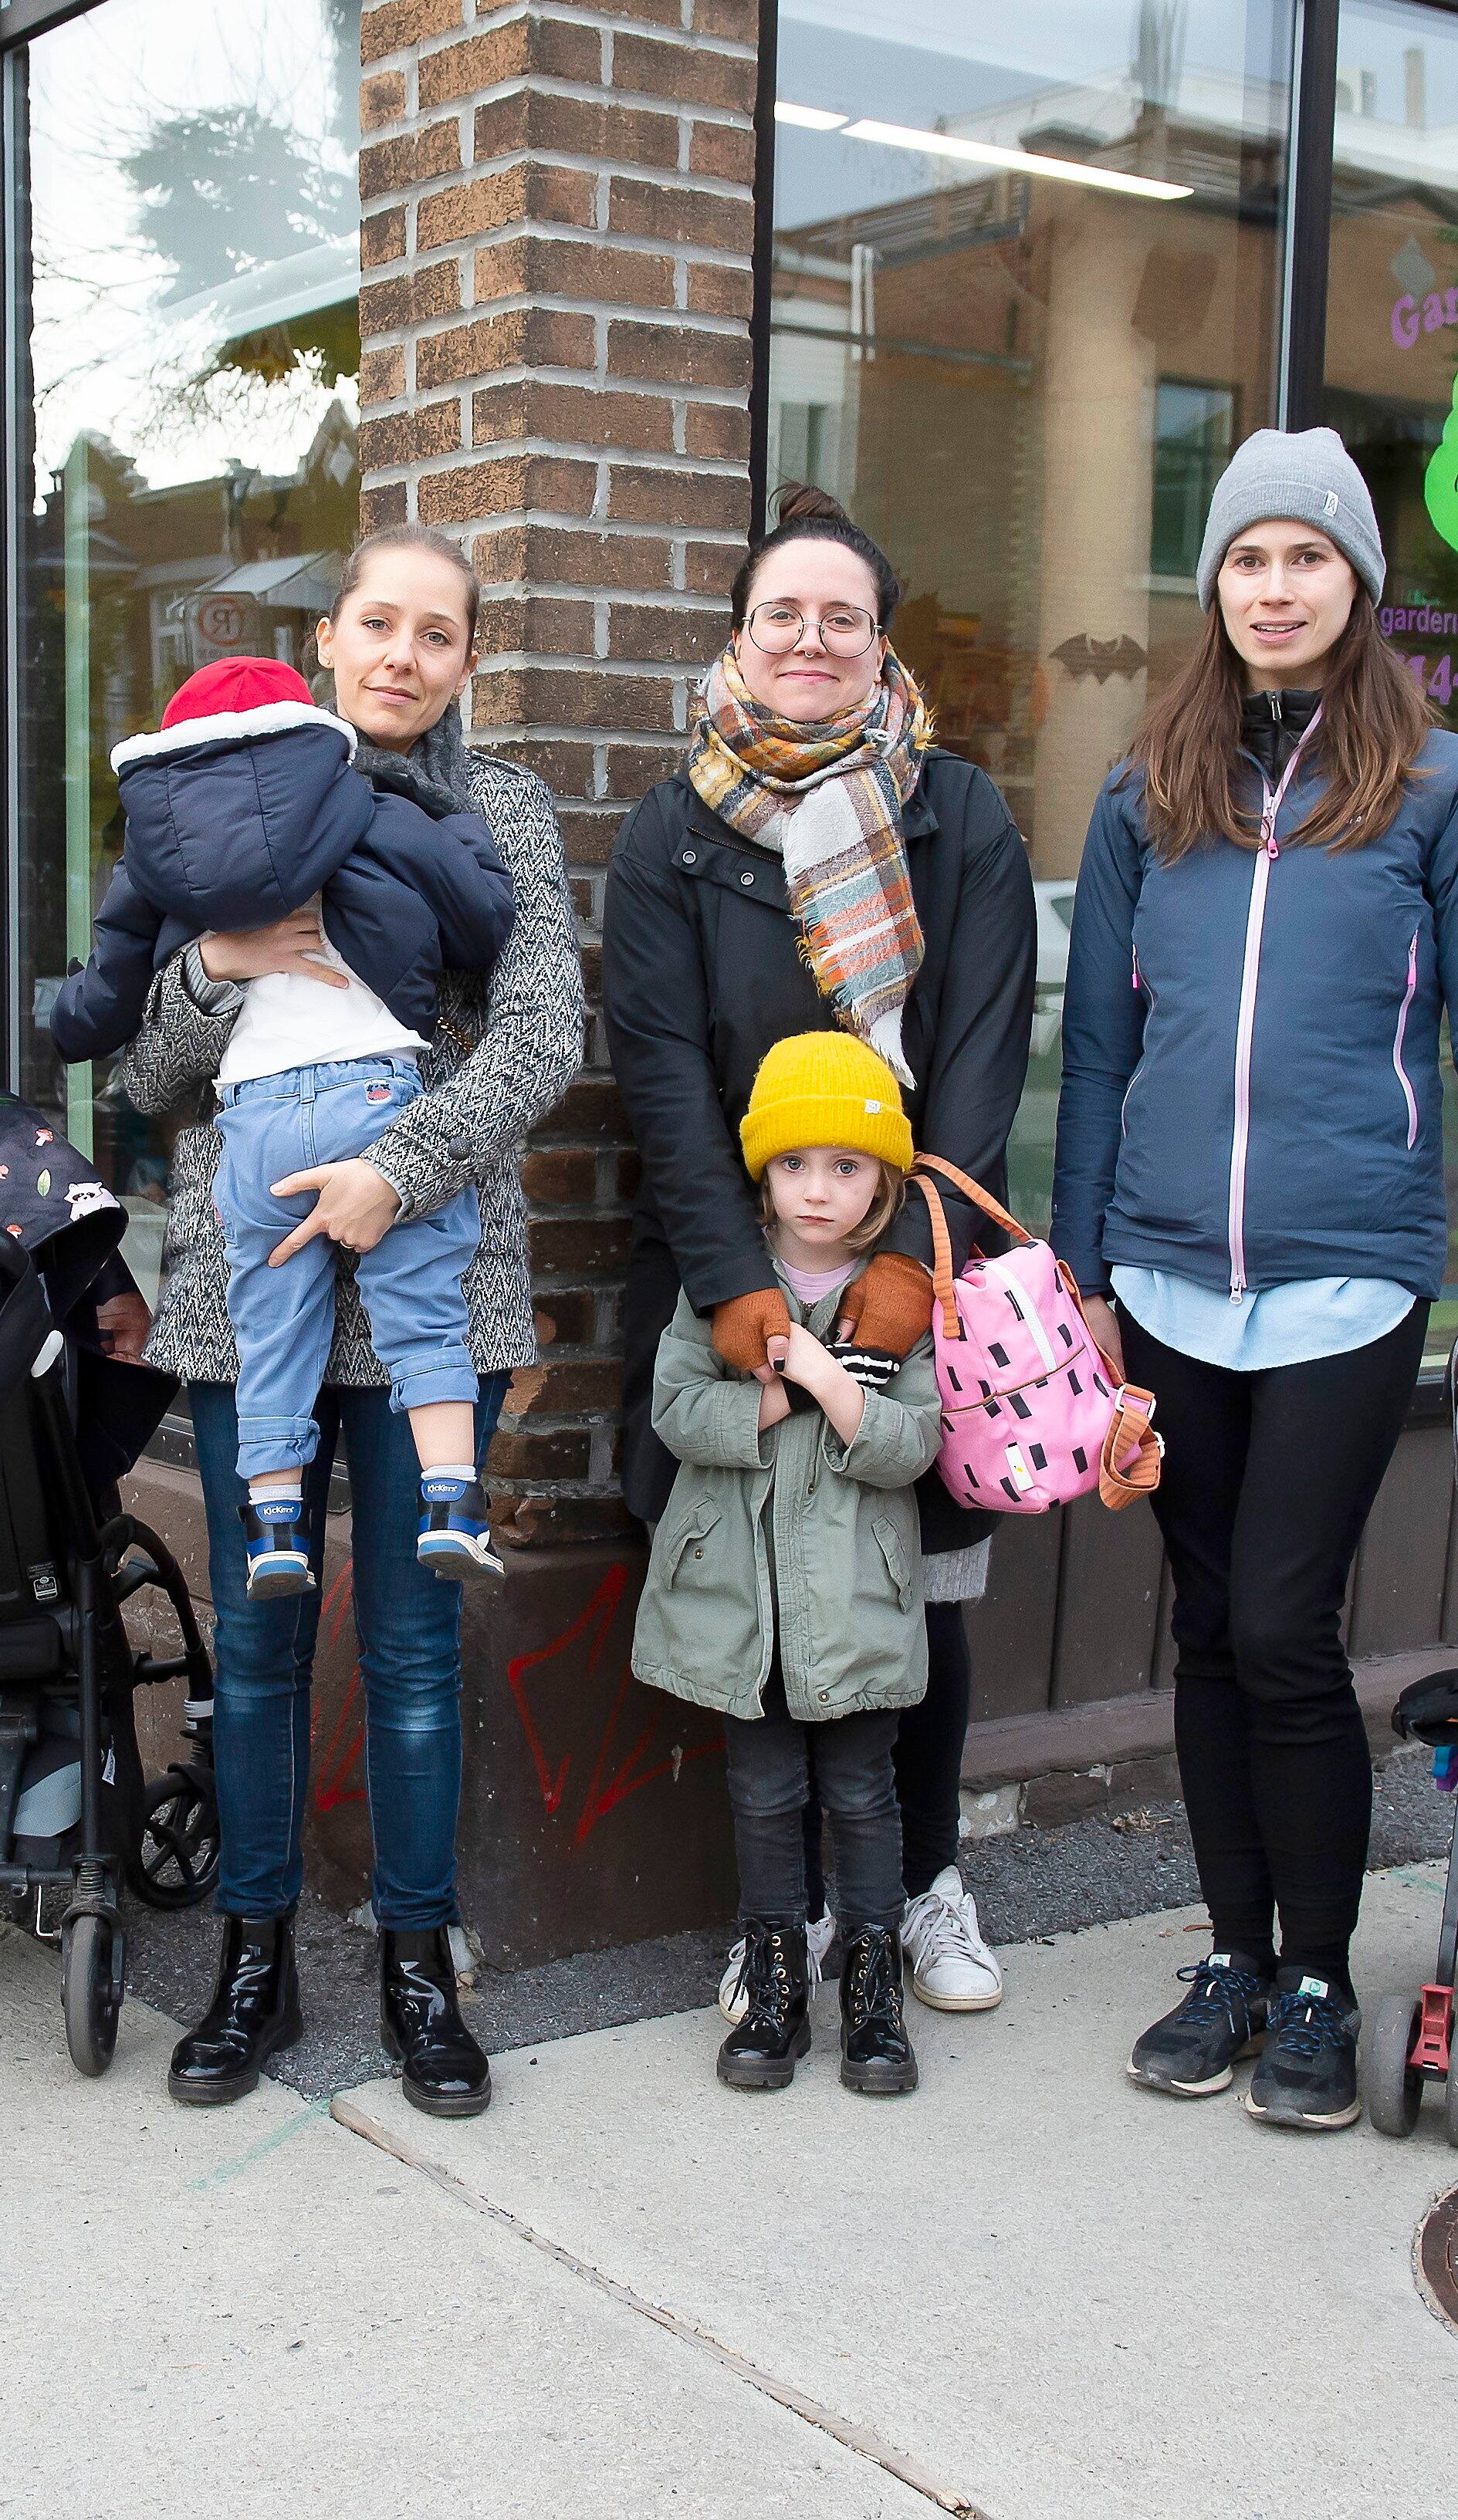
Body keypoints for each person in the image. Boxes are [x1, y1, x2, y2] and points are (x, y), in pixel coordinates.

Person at [1054, 428, 1458, 2132]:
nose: (1274, 587)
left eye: (1306, 557)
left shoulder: (1448, 788)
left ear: (1357, 581)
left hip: (1350, 1272)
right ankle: (1226, 1952)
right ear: (1214, 584)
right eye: (1246, 559)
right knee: (1207, 1625)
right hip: (1171, 1280)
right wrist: (1079, 1277)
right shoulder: (1149, 791)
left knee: (1284, 1624)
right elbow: (1106, 1054)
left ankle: (1313, 1973)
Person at [113, 525, 584, 2120]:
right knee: (251, 1642)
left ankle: (413, 1964)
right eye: (377, 622)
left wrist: (398, 1168)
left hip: (431, 1282)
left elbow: (539, 1036)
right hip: (251, 1289)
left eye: (436, 633)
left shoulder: (499, 807)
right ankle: (253, 1960)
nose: (401, 654)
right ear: (330, 636)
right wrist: (218, 968)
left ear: (465, 658)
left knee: (408, 1644)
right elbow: (136, 1079)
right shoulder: (221, 779)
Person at [604, 481, 1035, 2020]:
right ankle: (775, 1923)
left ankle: (916, 1887)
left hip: (911, 1276)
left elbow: (983, 1047)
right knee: (768, 1608)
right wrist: (737, 1289)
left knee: (917, 1590)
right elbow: (657, 1071)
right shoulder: (674, 829)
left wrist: (912, 1266)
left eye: (840, 616)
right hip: (733, 1271)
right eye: (781, 611)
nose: (810, 637)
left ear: (878, 642)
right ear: (740, 631)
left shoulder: (957, 810)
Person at [50, 654, 514, 1591]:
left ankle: (273, 1522)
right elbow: (478, 920)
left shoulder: (156, 853)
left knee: (268, 1324)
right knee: (423, 1305)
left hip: (254, 1118)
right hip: (372, 1094)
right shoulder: (365, 804)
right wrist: (460, 840)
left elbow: (95, 1011)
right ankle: (453, 1499)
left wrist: (167, 971)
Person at [634, 1034, 945, 2096]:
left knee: (862, 1792)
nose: (819, 1191)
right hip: (744, 1599)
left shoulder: (900, 1298)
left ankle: (871, 1989)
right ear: (760, 1173)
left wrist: (829, 1374)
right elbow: (675, 1409)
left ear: (883, 1180)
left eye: (846, 1167)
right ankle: (773, 1978)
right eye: (794, 1165)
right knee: (764, 1792)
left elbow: (917, 1444)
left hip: (858, 1596)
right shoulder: (726, 1286)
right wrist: (777, 1393)